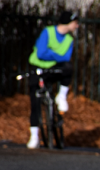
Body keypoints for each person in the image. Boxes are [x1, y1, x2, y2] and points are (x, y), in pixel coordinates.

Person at [26, 10, 79, 149]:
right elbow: (40, 53)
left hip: (53, 68)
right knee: (35, 102)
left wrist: (50, 54)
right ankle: (34, 136)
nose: (77, 26)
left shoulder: (69, 40)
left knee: (68, 68)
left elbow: (66, 58)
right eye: (75, 23)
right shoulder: (48, 32)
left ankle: (61, 96)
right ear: (68, 22)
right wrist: (56, 56)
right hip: (37, 67)